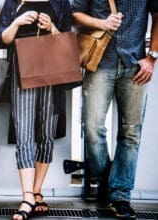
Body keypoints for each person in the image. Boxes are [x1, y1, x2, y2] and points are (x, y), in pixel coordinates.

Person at [71, 0, 158, 218]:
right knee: (91, 127)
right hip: (99, 63)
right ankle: (106, 183)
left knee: (130, 133)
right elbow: (74, 14)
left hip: (135, 64)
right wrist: (101, 23)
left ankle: (120, 196)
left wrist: (152, 57)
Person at [0, 0, 72, 219]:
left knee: (47, 133)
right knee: (24, 132)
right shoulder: (13, 3)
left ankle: (37, 190)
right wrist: (18, 22)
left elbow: (66, 39)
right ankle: (27, 196)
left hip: (53, 71)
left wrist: (51, 28)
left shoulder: (60, 3)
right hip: (22, 70)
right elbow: (3, 39)